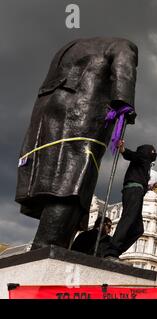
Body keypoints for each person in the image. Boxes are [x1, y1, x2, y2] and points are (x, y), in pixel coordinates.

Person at [15, 37, 138, 250]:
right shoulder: (123, 45)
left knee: (50, 176)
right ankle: (49, 244)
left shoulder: (68, 47)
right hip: (84, 116)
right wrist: (125, 104)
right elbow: (124, 70)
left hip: (47, 115)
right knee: (74, 179)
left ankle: (50, 241)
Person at [103, 140, 157, 259]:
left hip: (136, 191)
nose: (155, 154)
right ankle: (111, 250)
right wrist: (123, 150)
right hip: (133, 191)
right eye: (153, 152)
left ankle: (115, 251)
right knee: (128, 218)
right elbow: (133, 155)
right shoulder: (143, 157)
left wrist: (147, 187)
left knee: (138, 229)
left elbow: (139, 175)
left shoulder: (144, 165)